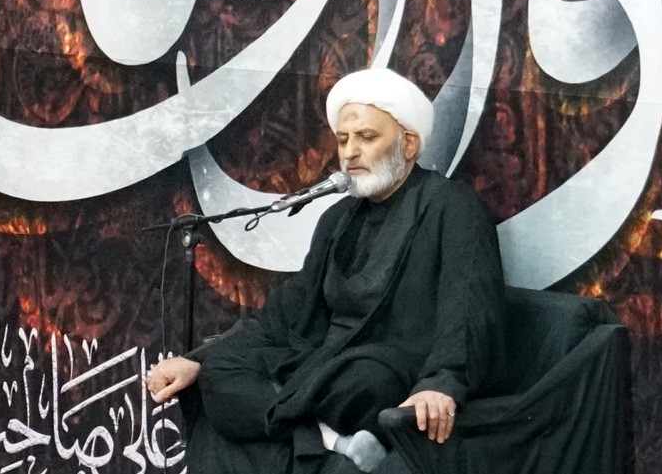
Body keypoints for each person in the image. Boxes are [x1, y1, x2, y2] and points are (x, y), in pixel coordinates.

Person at [146, 68, 505, 474]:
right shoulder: (338, 219)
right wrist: (201, 359)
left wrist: (442, 383)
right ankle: (326, 439)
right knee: (220, 372)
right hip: (319, 366)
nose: (349, 152)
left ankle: (298, 427)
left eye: (366, 137)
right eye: (343, 139)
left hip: (381, 373)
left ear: (408, 144)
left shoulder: (452, 207)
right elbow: (284, 314)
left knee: (364, 380)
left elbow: (469, 311)